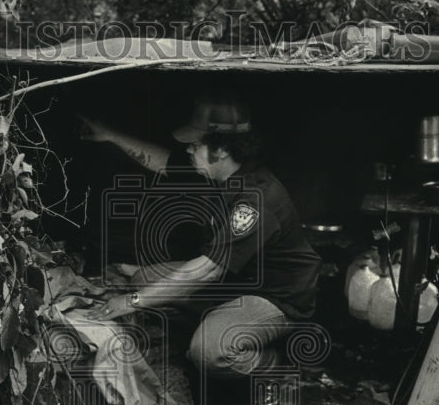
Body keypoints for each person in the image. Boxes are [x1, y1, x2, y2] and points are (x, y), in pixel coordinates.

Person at [81, 91, 321, 386]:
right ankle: (213, 324)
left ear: (220, 149)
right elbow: (162, 161)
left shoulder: (255, 199)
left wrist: (130, 302)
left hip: (275, 296)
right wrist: (109, 135)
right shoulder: (217, 172)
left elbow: (208, 269)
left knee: (210, 351)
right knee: (144, 279)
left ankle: (276, 367)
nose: (190, 151)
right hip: (237, 280)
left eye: (195, 145)